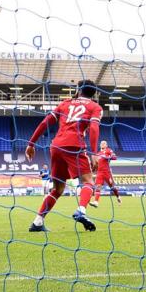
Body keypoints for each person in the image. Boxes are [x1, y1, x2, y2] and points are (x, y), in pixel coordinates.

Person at [26, 80, 103, 232]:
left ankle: (37, 222)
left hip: (56, 146)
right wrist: (94, 153)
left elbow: (45, 122)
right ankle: (81, 211)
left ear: (79, 90)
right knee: (88, 181)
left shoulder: (65, 103)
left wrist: (31, 144)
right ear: (94, 93)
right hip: (75, 146)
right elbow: (94, 128)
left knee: (57, 189)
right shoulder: (95, 107)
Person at [89, 140, 121, 207]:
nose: (102, 144)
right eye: (101, 143)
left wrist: (108, 157)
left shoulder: (109, 150)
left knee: (112, 187)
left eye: (104, 143)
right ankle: (96, 202)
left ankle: (118, 196)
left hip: (107, 172)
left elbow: (115, 157)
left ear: (106, 145)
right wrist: (93, 168)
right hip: (99, 172)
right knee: (98, 186)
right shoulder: (98, 153)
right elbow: (96, 164)